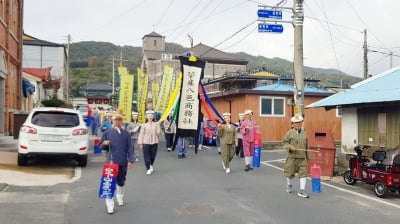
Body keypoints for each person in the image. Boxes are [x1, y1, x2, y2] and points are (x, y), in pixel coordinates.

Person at [100, 109, 134, 214]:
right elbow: (101, 147)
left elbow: (130, 148)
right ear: (112, 120)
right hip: (111, 161)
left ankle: (120, 197)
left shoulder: (126, 134)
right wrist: (104, 144)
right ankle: (110, 206)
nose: (117, 122)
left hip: (123, 161)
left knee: (121, 181)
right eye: (115, 120)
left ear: (122, 121)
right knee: (109, 184)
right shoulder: (107, 133)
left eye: (119, 120)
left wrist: (130, 160)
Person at [283, 114, 309, 198]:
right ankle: (289, 185)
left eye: (299, 122)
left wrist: (308, 157)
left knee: (303, 174)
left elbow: (307, 146)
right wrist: (290, 147)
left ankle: (301, 191)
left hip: (302, 158)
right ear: (293, 124)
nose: (298, 124)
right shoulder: (289, 133)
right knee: (289, 173)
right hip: (292, 158)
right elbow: (284, 143)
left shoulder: (304, 133)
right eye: (296, 123)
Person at [138, 110, 161, 175]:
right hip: (146, 142)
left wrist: (159, 125)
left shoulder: (156, 124)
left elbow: (158, 133)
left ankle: (151, 164)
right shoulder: (144, 125)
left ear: (153, 117)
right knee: (146, 156)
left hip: (154, 142)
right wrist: (140, 143)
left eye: (151, 116)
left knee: (153, 155)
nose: (150, 117)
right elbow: (141, 134)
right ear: (146, 117)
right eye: (149, 116)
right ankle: (148, 168)